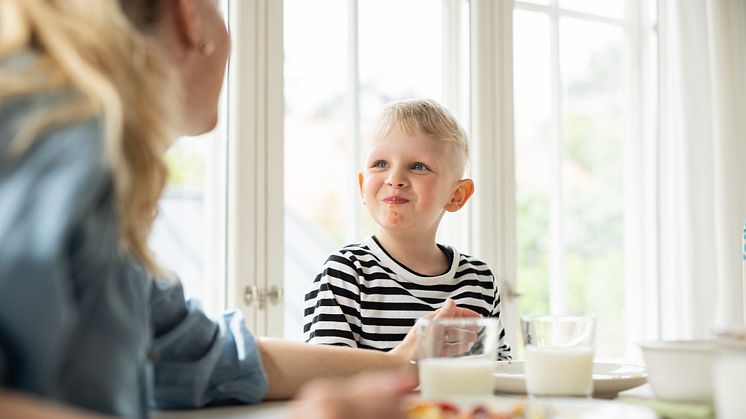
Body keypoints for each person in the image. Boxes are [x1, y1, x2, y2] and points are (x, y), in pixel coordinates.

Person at [0, 0, 481, 417]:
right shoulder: (61, 163)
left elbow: (218, 359)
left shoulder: (90, 172)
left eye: (419, 167)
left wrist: (400, 362)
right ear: (189, 16)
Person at [303, 99, 511, 359]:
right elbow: (326, 376)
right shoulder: (346, 273)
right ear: (362, 186)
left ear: (456, 195)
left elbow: (497, 370)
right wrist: (409, 352)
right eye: (380, 164)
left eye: (418, 166)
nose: (394, 179)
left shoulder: (478, 280)